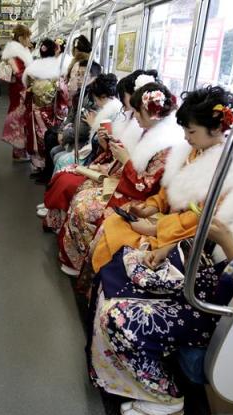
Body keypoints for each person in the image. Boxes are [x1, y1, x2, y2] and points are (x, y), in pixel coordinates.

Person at [89, 106, 233, 415]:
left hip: (229, 311)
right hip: (209, 279)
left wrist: (229, 244)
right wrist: (168, 247)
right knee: (123, 267)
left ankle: (164, 399)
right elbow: (203, 232)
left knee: (119, 317)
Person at [90, 86, 233, 274]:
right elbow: (168, 189)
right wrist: (151, 206)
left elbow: (202, 219)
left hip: (183, 236)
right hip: (170, 222)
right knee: (114, 222)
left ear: (217, 128)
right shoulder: (191, 150)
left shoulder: (229, 170)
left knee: (118, 236)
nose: (185, 137)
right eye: (185, 131)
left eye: (191, 132)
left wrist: (155, 229)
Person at [59, 78, 183, 276]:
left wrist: (125, 160)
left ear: (152, 113)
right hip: (127, 183)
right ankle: (76, 260)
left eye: (137, 112)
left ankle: (84, 265)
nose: (134, 116)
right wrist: (113, 151)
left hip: (142, 198)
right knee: (80, 195)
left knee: (85, 207)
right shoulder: (146, 131)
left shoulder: (165, 144)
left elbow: (146, 186)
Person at [39, 72, 142, 233]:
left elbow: (140, 177)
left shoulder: (127, 119)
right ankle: (53, 208)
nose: (78, 77)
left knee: (63, 164)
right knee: (61, 166)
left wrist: (106, 146)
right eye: (76, 74)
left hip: (116, 172)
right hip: (109, 163)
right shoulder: (126, 117)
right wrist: (103, 143)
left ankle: (56, 211)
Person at [53, 73, 122, 173]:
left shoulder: (110, 112)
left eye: (95, 99)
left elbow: (100, 140)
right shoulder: (110, 107)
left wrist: (93, 124)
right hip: (92, 147)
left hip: (98, 153)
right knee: (58, 156)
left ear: (102, 97)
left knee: (61, 161)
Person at [23, 38, 69, 174]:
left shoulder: (32, 67)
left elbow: (27, 84)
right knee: (50, 134)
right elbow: (63, 89)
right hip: (53, 108)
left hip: (36, 106)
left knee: (37, 135)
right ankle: (50, 165)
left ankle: (38, 165)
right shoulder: (60, 67)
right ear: (54, 50)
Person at [1, 24, 33, 162]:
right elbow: (19, 73)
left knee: (21, 120)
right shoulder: (15, 54)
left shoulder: (22, 51)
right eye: (27, 37)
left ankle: (21, 150)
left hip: (21, 88)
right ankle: (18, 152)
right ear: (21, 38)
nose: (29, 39)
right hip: (20, 90)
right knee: (19, 120)